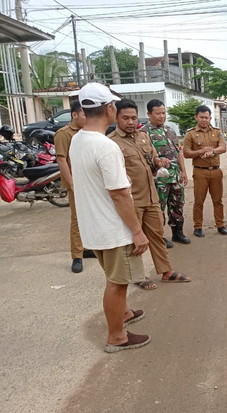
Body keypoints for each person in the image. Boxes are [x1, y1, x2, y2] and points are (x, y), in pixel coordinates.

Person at [69, 83, 151, 353]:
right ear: (109, 108)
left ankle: (124, 313)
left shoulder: (78, 139)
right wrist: (137, 231)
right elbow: (119, 194)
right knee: (117, 282)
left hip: (94, 226)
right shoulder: (105, 146)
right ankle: (117, 336)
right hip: (112, 228)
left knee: (115, 277)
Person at [109, 99, 191, 288]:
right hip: (131, 199)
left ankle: (165, 271)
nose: (130, 122)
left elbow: (152, 157)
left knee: (157, 235)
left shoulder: (143, 137)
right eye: (126, 118)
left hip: (151, 195)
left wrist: (159, 161)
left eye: (133, 118)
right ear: (116, 117)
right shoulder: (112, 142)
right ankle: (139, 277)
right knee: (134, 240)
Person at [141, 99, 190, 246]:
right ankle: (158, 236)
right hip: (158, 179)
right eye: (158, 113)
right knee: (158, 208)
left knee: (177, 204)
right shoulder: (143, 133)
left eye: (163, 113)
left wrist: (183, 171)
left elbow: (178, 152)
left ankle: (177, 232)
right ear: (149, 114)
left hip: (174, 176)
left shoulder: (170, 130)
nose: (161, 116)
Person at [55, 100, 95, 273]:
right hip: (76, 184)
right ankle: (77, 256)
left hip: (90, 182)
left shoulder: (88, 133)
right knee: (77, 219)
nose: (87, 118)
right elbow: (61, 159)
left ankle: (86, 248)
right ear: (74, 115)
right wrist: (72, 183)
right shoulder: (64, 134)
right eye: (84, 114)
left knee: (90, 216)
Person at [182, 105, 227, 237]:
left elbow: (223, 147)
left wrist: (213, 151)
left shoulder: (217, 132)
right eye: (201, 117)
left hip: (216, 171)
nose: (204, 120)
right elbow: (186, 153)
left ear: (210, 118)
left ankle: (220, 225)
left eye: (206, 117)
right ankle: (198, 226)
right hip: (200, 172)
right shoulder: (190, 134)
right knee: (199, 201)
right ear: (196, 117)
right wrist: (200, 152)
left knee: (218, 200)